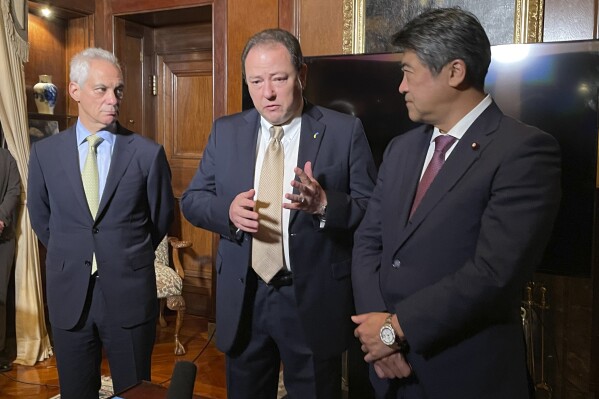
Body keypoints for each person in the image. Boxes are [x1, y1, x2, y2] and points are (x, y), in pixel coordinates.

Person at [351, 7, 561, 399]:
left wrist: (393, 330)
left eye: (408, 71)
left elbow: (493, 272)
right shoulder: (401, 149)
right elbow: (368, 242)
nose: (401, 86)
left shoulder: (524, 151)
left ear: (455, 72)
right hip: (388, 370)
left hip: (464, 372)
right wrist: (376, 339)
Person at [181, 28, 377, 398]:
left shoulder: (343, 131)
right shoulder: (226, 132)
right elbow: (192, 199)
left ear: (302, 75)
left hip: (311, 298)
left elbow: (371, 213)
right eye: (256, 81)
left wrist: (324, 205)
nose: (267, 93)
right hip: (245, 298)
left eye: (279, 79)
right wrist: (227, 211)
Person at [27, 47, 174, 398]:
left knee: (134, 391)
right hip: (68, 296)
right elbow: (41, 218)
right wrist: (76, 251)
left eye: (118, 90)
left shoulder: (147, 154)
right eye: (102, 89)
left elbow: (160, 218)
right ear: (75, 90)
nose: (113, 99)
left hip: (128, 294)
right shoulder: (45, 154)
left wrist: (120, 252)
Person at [0, 148, 20, 372]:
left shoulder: (7, 159)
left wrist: (1, 217)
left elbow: (14, 190)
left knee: (0, 297)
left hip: (2, 240)